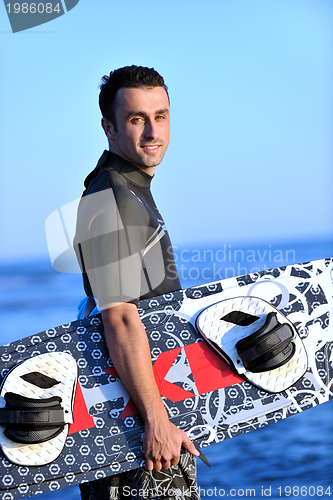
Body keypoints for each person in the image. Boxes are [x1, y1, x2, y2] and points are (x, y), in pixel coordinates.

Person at [74, 66, 200, 500]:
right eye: (135, 119)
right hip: (140, 432)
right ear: (108, 126)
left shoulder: (129, 188)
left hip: (146, 416)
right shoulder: (111, 197)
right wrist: (156, 420)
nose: (152, 131)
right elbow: (121, 317)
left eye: (160, 116)